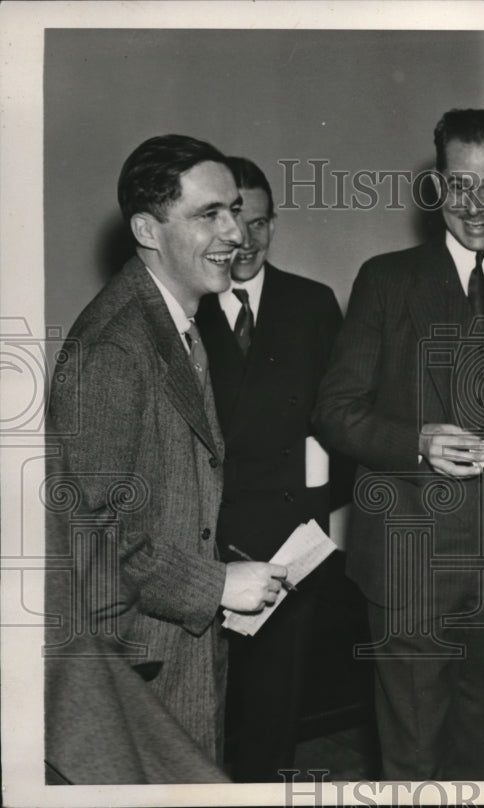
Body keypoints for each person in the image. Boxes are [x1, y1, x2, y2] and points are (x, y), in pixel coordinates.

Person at [312, 108, 484, 780]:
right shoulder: (386, 281)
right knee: (413, 760)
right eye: (460, 186)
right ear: (437, 187)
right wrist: (416, 443)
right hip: (411, 569)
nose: (476, 206)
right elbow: (335, 413)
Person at [45, 134, 287, 782]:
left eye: (235, 210)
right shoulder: (115, 348)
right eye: (210, 214)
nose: (235, 232)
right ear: (148, 229)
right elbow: (92, 535)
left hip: (176, 646)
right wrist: (216, 586)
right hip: (137, 664)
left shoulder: (175, 321)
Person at [195, 156, 350, 781]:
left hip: (291, 547)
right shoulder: (189, 306)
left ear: (273, 226)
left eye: (261, 224)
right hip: (207, 547)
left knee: (272, 717)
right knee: (200, 712)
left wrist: (318, 522)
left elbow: (344, 422)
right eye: (236, 222)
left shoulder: (311, 304)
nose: (248, 241)